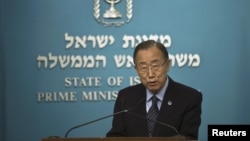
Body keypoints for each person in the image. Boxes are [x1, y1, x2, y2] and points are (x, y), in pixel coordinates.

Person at [106, 40, 202, 140]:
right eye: (143, 68)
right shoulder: (125, 98)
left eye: (155, 66)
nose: (150, 74)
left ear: (167, 65)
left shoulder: (189, 98)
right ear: (136, 69)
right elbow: (116, 136)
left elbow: (188, 138)